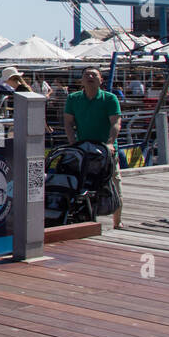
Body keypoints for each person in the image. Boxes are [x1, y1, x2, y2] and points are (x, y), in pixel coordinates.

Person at [63, 66, 122, 221]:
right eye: (86, 74)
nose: (90, 76)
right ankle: (86, 217)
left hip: (105, 148)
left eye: (94, 75)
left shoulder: (109, 98)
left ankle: (118, 220)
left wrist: (110, 143)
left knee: (114, 181)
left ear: (101, 80)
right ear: (81, 80)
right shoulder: (73, 98)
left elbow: (116, 122)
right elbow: (68, 123)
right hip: (83, 149)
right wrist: (73, 143)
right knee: (82, 183)